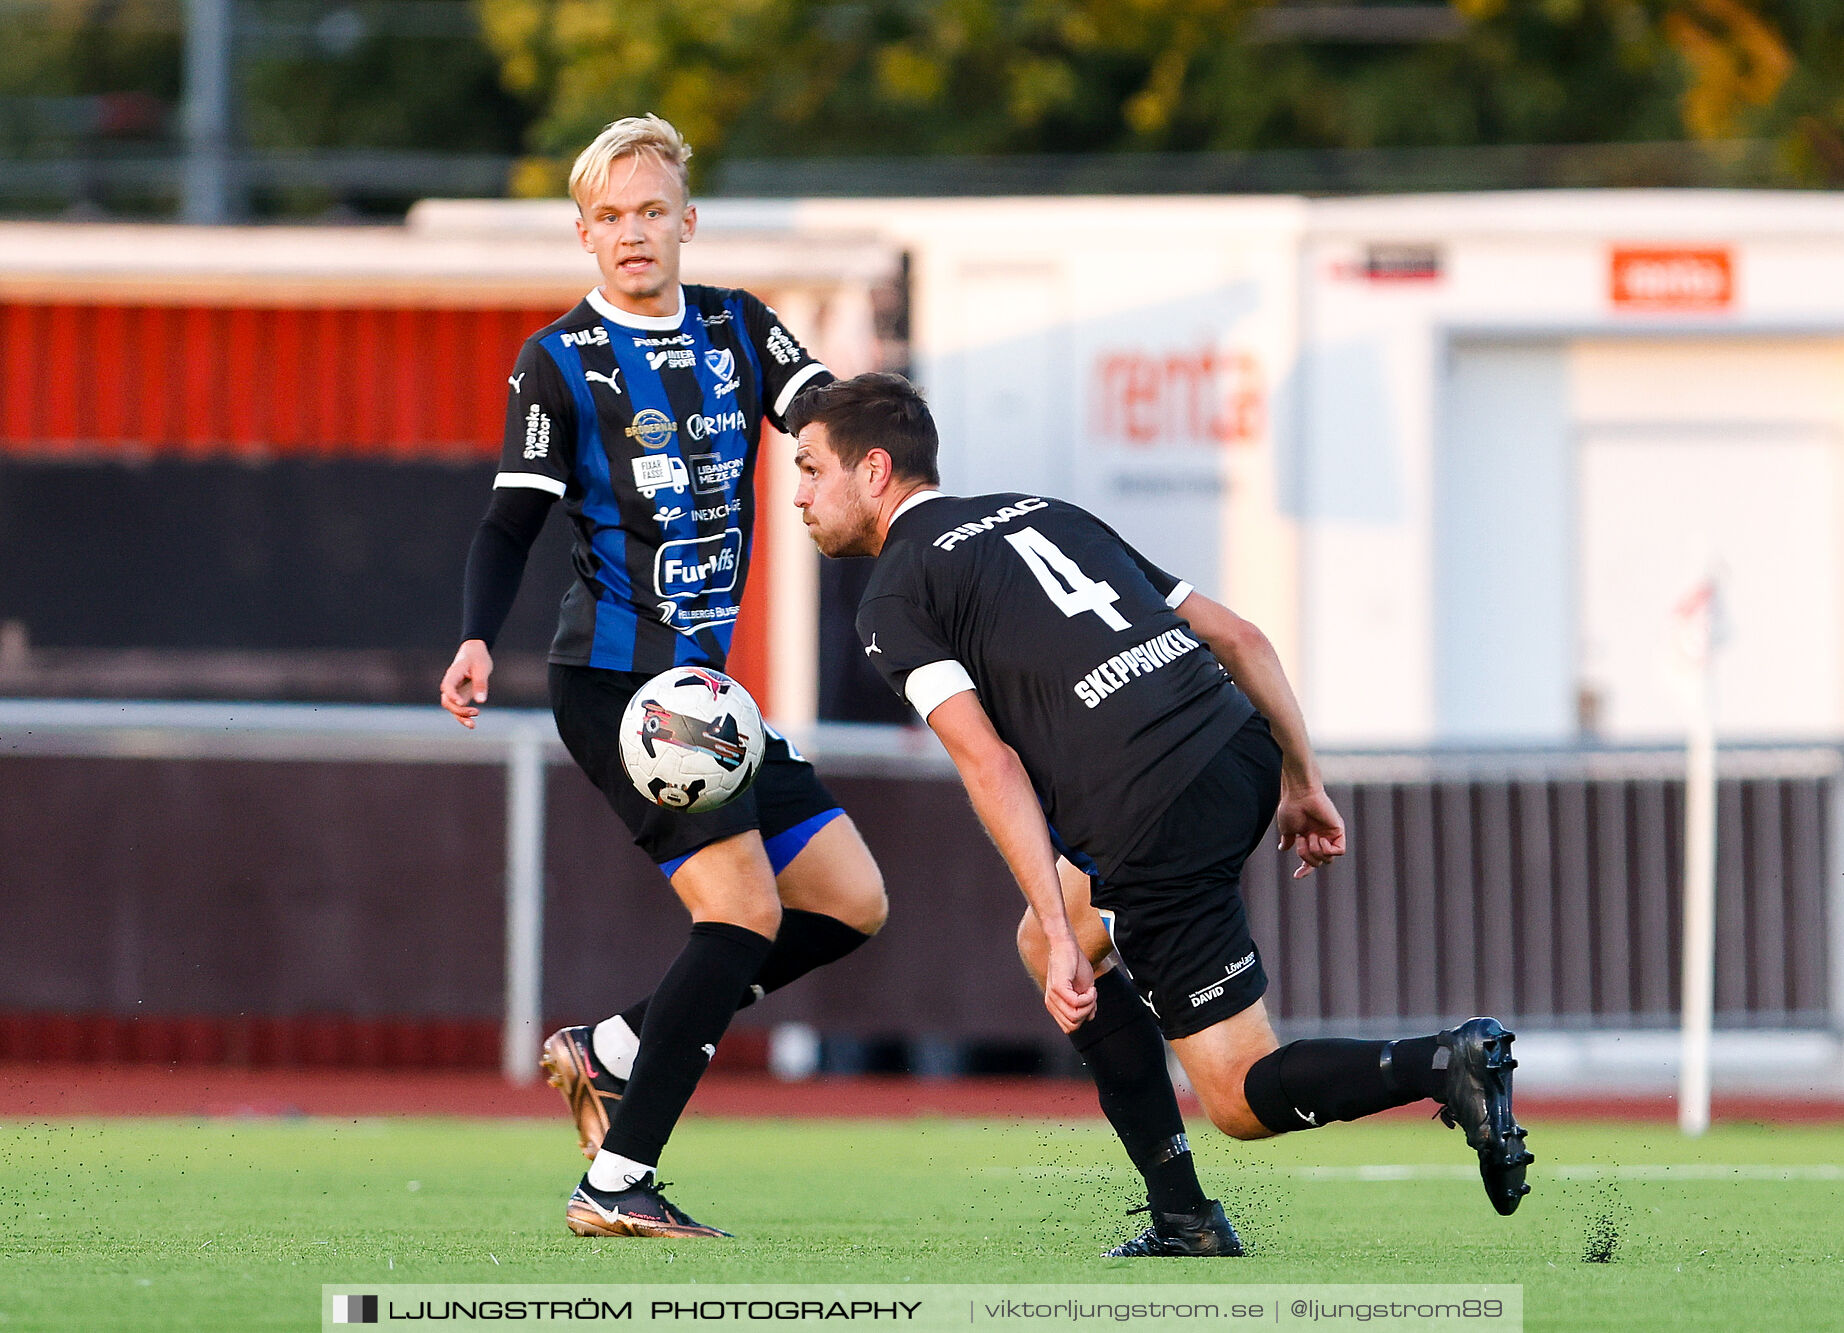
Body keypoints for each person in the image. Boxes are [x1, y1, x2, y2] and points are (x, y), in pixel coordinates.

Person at [787, 372, 1532, 1257]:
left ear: (874, 472)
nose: (799, 493)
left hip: (1153, 815)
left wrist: (1073, 943)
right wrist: (1302, 779)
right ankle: (1182, 1214)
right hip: (1240, 749)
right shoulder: (1044, 510)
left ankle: (1445, 1062)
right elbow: (1240, 635)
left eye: (809, 467)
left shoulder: (894, 595)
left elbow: (988, 762)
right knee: (1039, 933)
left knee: (1238, 1097)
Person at [439, 115, 887, 1240]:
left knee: (849, 899)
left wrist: (902, 496)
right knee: (739, 912)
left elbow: (831, 419)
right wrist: (475, 636)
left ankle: (616, 1047)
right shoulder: (557, 360)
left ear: (686, 222)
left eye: (652, 212)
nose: (632, 234)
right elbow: (508, 522)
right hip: (619, 686)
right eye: (609, 218)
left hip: (707, 693)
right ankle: (614, 1179)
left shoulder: (738, 326)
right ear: (582, 236)